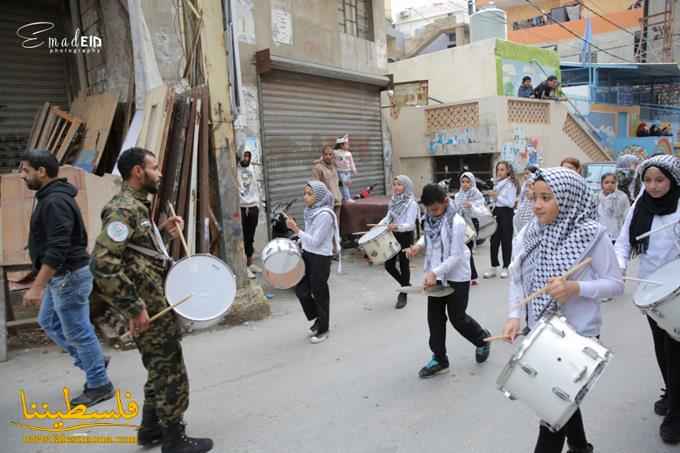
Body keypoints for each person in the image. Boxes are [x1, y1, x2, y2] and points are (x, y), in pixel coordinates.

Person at [90, 148, 213, 453]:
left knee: (158, 366)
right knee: (169, 367)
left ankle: (150, 429)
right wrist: (134, 307)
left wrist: (163, 232)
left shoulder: (137, 208)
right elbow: (103, 264)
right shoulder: (122, 209)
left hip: (154, 301)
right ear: (137, 172)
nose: (159, 173)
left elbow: (134, 252)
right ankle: (174, 439)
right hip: (147, 307)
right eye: (155, 168)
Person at [502, 167, 624, 453]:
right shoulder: (530, 232)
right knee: (562, 402)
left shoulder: (593, 235)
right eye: (534, 197)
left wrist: (575, 289)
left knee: (551, 410)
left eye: (546, 198)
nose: (537, 205)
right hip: (540, 331)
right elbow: (517, 278)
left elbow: (616, 284)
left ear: (568, 198)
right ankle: (581, 448)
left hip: (577, 336)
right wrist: (514, 315)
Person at [20, 149, 114, 408]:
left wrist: (36, 287)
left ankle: (99, 384)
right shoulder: (49, 197)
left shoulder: (54, 202)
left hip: (68, 277)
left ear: (42, 171)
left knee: (78, 332)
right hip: (61, 277)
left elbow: (58, 248)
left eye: (26, 170)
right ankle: (93, 360)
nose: (22, 175)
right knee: (48, 321)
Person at [615, 154, 680, 444]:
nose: (653, 186)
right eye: (648, 180)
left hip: (677, 289)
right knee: (661, 346)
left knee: (676, 351)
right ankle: (672, 391)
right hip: (651, 289)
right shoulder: (640, 205)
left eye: (660, 180)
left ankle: (676, 416)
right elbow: (623, 241)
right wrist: (618, 267)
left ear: (673, 181)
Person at [406, 184, 491, 378]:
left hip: (456, 276)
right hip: (436, 275)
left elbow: (455, 256)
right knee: (434, 319)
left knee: (457, 318)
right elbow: (428, 236)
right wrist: (418, 246)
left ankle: (482, 339)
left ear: (445, 202)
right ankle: (439, 358)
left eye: (435, 209)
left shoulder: (458, 222)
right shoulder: (430, 218)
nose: (432, 213)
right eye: (428, 209)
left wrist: (434, 273)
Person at [286, 180, 341, 344]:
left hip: (320, 257)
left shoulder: (325, 215)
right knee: (301, 290)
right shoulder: (310, 210)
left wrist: (296, 230)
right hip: (308, 254)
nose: (305, 197)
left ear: (319, 196)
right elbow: (308, 237)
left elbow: (316, 241)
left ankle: (324, 329)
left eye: (310, 194)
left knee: (320, 294)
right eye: (305, 193)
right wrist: (298, 239)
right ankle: (318, 318)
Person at [377, 175, 419, 309]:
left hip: (405, 235)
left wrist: (397, 226)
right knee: (388, 265)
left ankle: (403, 294)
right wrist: (379, 226)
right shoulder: (393, 201)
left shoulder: (411, 203)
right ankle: (405, 285)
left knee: (404, 263)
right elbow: (388, 217)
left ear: (406, 187)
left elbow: (411, 224)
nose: (396, 187)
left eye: (399, 184)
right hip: (393, 235)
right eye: (394, 184)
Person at [484, 161, 518, 279]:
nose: (499, 172)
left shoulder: (510, 184)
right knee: (493, 241)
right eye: (498, 169)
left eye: (502, 169)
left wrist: (496, 196)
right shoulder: (498, 184)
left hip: (506, 213)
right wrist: (493, 199)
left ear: (508, 170)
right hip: (496, 212)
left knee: (506, 241)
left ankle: (506, 267)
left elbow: (511, 203)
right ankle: (493, 267)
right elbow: (496, 201)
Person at [454, 171, 487, 285]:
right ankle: (467, 275)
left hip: (472, 223)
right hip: (459, 224)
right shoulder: (458, 195)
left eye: (468, 182)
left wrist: (471, 206)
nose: (465, 184)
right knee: (461, 250)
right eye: (463, 182)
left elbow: (481, 212)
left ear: (472, 182)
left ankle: (471, 276)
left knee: (467, 250)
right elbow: (455, 210)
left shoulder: (476, 194)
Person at [238, 150, 260, 279]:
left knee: (250, 237)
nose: (246, 158)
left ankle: (250, 264)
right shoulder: (235, 169)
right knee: (242, 237)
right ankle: (244, 267)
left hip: (253, 207)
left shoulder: (253, 168)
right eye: (244, 156)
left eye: (248, 156)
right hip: (241, 207)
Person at [312, 145, 343, 219]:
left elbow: (341, 158)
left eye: (330, 154)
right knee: (327, 224)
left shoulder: (334, 166)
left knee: (336, 223)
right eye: (325, 154)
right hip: (326, 203)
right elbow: (315, 187)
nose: (328, 156)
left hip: (337, 200)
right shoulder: (318, 168)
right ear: (322, 155)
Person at [598, 172, 630, 242]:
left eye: (613, 182)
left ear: (616, 184)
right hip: (601, 234)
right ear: (602, 184)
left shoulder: (622, 197)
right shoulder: (597, 198)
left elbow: (627, 215)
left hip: (617, 234)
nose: (610, 185)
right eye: (606, 182)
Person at [514, 165, 539, 233]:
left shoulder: (534, 182)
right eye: (524, 173)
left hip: (531, 211)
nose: (525, 175)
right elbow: (522, 198)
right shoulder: (525, 183)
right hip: (523, 210)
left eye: (527, 173)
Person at [334, 134, 357, 202]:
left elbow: (351, 162)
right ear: (341, 145)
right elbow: (328, 154)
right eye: (346, 144)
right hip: (340, 172)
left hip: (348, 171)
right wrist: (320, 160)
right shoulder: (336, 152)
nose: (348, 145)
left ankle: (343, 197)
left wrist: (354, 169)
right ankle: (347, 198)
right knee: (344, 184)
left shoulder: (349, 153)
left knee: (343, 185)